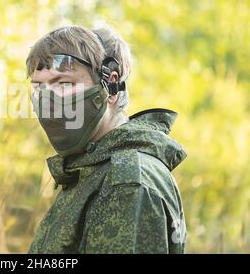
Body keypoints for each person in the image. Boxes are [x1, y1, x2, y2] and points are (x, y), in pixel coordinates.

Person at [27, 25, 187, 253]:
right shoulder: (91, 171)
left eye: (64, 84)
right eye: (39, 87)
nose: (48, 100)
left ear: (110, 88)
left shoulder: (126, 183)